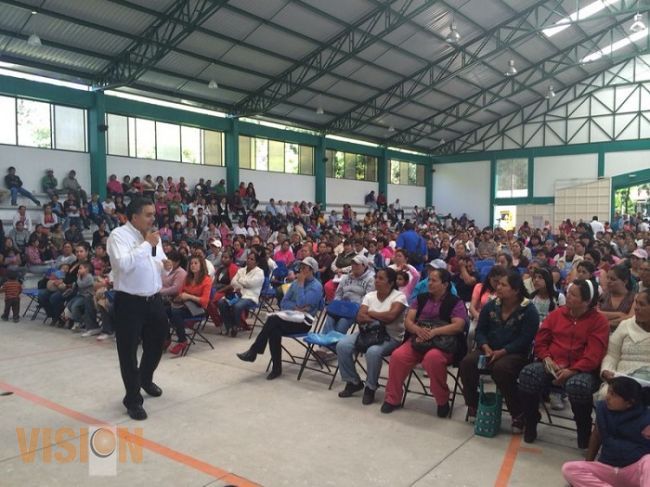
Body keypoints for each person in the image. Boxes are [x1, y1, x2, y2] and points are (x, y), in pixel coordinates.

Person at [518, 278, 609, 448]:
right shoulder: (557, 314)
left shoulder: (599, 322)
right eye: (568, 292)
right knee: (527, 375)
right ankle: (531, 420)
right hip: (552, 364)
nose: (567, 296)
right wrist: (546, 358)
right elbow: (541, 341)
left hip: (583, 370)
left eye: (573, 295)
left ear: (586, 301)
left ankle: (583, 430)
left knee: (578, 386)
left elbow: (593, 355)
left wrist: (572, 370)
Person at [106, 197, 169, 421]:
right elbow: (122, 265)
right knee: (128, 351)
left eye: (154, 214)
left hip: (153, 299)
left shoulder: (153, 238)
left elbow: (158, 259)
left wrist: (166, 264)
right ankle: (132, 399)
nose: (153, 218)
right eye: (149, 214)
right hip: (129, 302)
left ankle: (145, 378)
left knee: (158, 341)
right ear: (134, 216)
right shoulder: (118, 236)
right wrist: (146, 245)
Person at [459, 269, 539, 429]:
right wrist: (486, 347)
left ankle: (518, 413)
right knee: (467, 363)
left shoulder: (529, 310)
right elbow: (480, 330)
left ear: (516, 290)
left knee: (501, 369)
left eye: (504, 285)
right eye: (498, 284)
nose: (498, 287)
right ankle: (473, 405)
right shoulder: (491, 305)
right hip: (488, 349)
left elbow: (526, 338)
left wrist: (503, 351)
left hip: (515, 353)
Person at [382, 268, 468, 417]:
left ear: (445, 284)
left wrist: (433, 332)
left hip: (442, 342)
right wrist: (417, 330)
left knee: (432, 359)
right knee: (398, 356)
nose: (429, 283)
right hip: (419, 339)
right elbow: (408, 320)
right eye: (429, 280)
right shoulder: (421, 298)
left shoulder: (455, 302)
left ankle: (442, 400)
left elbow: (458, 326)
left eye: (434, 280)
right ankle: (392, 398)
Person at [236, 257, 323, 380]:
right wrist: (296, 307)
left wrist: (301, 284)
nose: (301, 270)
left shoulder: (316, 286)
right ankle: (276, 368)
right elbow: (284, 303)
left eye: (305, 268)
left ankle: (254, 351)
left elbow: (302, 301)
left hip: (304, 322)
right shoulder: (294, 283)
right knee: (274, 331)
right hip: (289, 317)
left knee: (272, 320)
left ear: (312, 270)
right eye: (301, 267)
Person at [336, 267, 407, 405]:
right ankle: (353, 381)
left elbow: (391, 317)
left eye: (381, 278)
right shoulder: (370, 296)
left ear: (391, 282)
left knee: (373, 352)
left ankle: (370, 387)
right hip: (367, 333)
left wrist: (372, 313)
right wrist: (380, 318)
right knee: (342, 345)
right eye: (376, 278)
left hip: (390, 336)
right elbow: (360, 317)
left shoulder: (399, 297)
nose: (376, 281)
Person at [562, 377, 650, 487]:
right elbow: (596, 436)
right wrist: (588, 464)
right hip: (608, 467)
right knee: (569, 469)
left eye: (613, 395)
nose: (607, 397)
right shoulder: (603, 409)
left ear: (629, 403)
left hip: (633, 471)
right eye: (608, 392)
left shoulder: (646, 417)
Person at [598, 289, 650, 398]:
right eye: (636, 302)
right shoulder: (625, 325)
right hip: (622, 380)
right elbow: (612, 355)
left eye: (642, 304)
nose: (636, 307)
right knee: (606, 395)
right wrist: (606, 371)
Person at [167, 256, 212, 356]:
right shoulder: (188, 278)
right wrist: (179, 297)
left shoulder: (206, 279)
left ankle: (182, 340)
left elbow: (205, 301)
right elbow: (181, 291)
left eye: (196, 263)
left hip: (198, 308)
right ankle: (167, 338)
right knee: (165, 310)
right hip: (185, 305)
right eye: (191, 263)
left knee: (176, 312)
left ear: (201, 265)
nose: (193, 265)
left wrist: (189, 296)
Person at [322, 254, 375, 335]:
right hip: (342, 304)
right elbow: (338, 293)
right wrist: (338, 303)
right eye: (353, 264)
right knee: (330, 316)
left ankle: (333, 345)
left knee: (343, 321)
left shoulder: (370, 280)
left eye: (357, 264)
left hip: (355, 308)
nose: (354, 266)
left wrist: (354, 304)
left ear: (364, 266)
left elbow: (367, 298)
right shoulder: (346, 277)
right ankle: (325, 342)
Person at [218, 252, 264, 337]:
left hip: (250, 297)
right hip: (237, 294)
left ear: (256, 262)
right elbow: (233, 282)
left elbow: (251, 284)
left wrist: (240, 281)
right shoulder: (241, 270)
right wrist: (242, 283)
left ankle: (236, 326)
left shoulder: (260, 272)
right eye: (248, 258)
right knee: (221, 302)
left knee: (237, 306)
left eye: (252, 259)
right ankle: (229, 327)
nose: (249, 260)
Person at [599, 265, 636, 330]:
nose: (608, 281)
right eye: (607, 278)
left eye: (613, 279)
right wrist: (619, 314)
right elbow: (596, 314)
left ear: (625, 281)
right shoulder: (603, 296)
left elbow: (631, 318)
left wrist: (605, 323)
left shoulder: (634, 297)